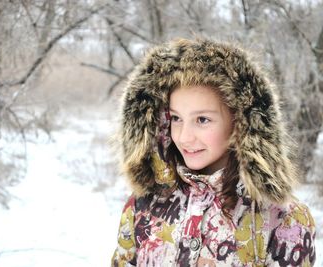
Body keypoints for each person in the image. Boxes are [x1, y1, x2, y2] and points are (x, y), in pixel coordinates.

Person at [111, 38, 316, 266]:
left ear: (240, 123)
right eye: (176, 118)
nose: (184, 136)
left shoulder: (283, 220)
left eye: (202, 119)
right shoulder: (144, 205)